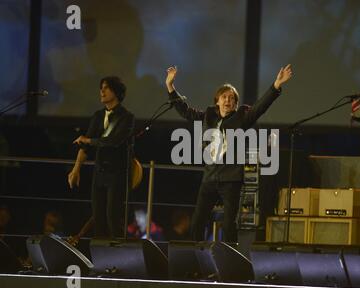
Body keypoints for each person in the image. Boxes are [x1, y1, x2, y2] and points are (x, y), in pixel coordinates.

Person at [165, 64, 293, 242]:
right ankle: (196, 257)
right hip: (210, 178)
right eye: (224, 97)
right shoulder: (208, 115)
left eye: (232, 98)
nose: (228, 101)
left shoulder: (241, 117)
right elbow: (185, 111)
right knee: (197, 221)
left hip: (230, 179)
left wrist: (276, 84)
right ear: (217, 101)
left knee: (228, 223)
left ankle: (229, 260)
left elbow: (259, 107)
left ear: (235, 104)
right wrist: (170, 87)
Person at [68, 76, 135, 238]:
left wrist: (89, 140)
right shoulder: (98, 115)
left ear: (116, 92)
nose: (102, 91)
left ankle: (117, 257)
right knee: (98, 218)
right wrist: (75, 169)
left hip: (117, 174)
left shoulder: (127, 117)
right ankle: (100, 258)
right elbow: (85, 145)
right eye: (101, 88)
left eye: (106, 88)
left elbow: (114, 141)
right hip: (99, 174)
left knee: (113, 218)